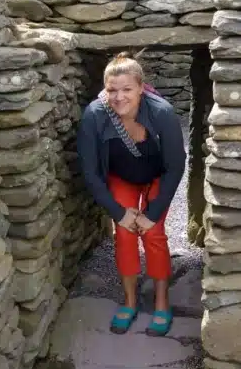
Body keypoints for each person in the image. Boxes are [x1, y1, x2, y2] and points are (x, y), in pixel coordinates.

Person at [76, 51, 186, 337]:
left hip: (157, 175)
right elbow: (89, 171)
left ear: (141, 87)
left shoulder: (162, 112)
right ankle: (129, 301)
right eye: (112, 90)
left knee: (153, 233)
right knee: (124, 234)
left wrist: (151, 213)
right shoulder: (94, 115)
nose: (119, 97)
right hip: (121, 176)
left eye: (127, 89)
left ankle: (162, 303)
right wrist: (118, 212)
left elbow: (176, 166)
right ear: (105, 89)